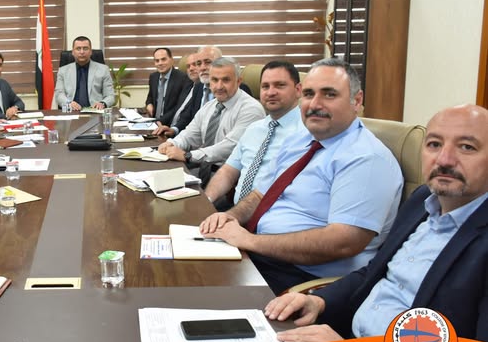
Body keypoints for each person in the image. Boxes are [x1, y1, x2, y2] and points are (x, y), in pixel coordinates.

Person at [266, 104, 488, 342]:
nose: (444, 160)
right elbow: (374, 272)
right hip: (346, 337)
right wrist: (319, 301)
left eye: (467, 147)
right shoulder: (422, 200)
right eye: (434, 144)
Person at [200, 58, 403, 294]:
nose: (315, 104)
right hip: (260, 255)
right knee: (182, 271)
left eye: (329, 94)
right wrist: (230, 218)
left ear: (356, 101)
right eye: (308, 94)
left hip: (306, 280)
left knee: (200, 294)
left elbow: (343, 242)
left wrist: (249, 241)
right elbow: (259, 195)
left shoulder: (366, 158)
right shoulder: (299, 140)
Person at [204, 60, 305, 211]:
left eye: (279, 85)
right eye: (265, 86)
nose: (271, 92)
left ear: (298, 90)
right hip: (236, 211)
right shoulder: (254, 128)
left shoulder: (307, 134)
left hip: (273, 216)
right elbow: (228, 172)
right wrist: (206, 202)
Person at [158, 56, 265, 184]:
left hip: (232, 179)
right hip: (203, 169)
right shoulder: (210, 106)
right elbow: (190, 134)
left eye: (226, 80)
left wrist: (189, 156)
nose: (219, 86)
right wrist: (172, 143)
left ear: (238, 81)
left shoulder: (251, 109)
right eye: (214, 80)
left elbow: (229, 148)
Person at [154, 46, 222, 137]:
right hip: (189, 137)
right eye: (199, 63)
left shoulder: (228, 90)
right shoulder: (198, 87)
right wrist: (174, 130)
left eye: (208, 62)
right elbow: (189, 118)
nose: (202, 68)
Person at [54, 36, 115, 111]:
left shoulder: (103, 70)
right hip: (72, 111)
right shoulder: (63, 71)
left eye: (85, 48)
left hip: (95, 111)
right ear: (73, 52)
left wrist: (103, 103)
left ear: (91, 51)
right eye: (78, 48)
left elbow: (110, 96)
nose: (82, 52)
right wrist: (68, 103)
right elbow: (59, 94)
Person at [145, 47, 193, 127]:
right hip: (153, 122)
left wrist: (160, 121)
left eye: (163, 59)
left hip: (170, 124)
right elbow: (150, 97)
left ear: (171, 60)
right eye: (157, 61)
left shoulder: (183, 78)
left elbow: (179, 107)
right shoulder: (153, 77)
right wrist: (149, 104)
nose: (160, 63)